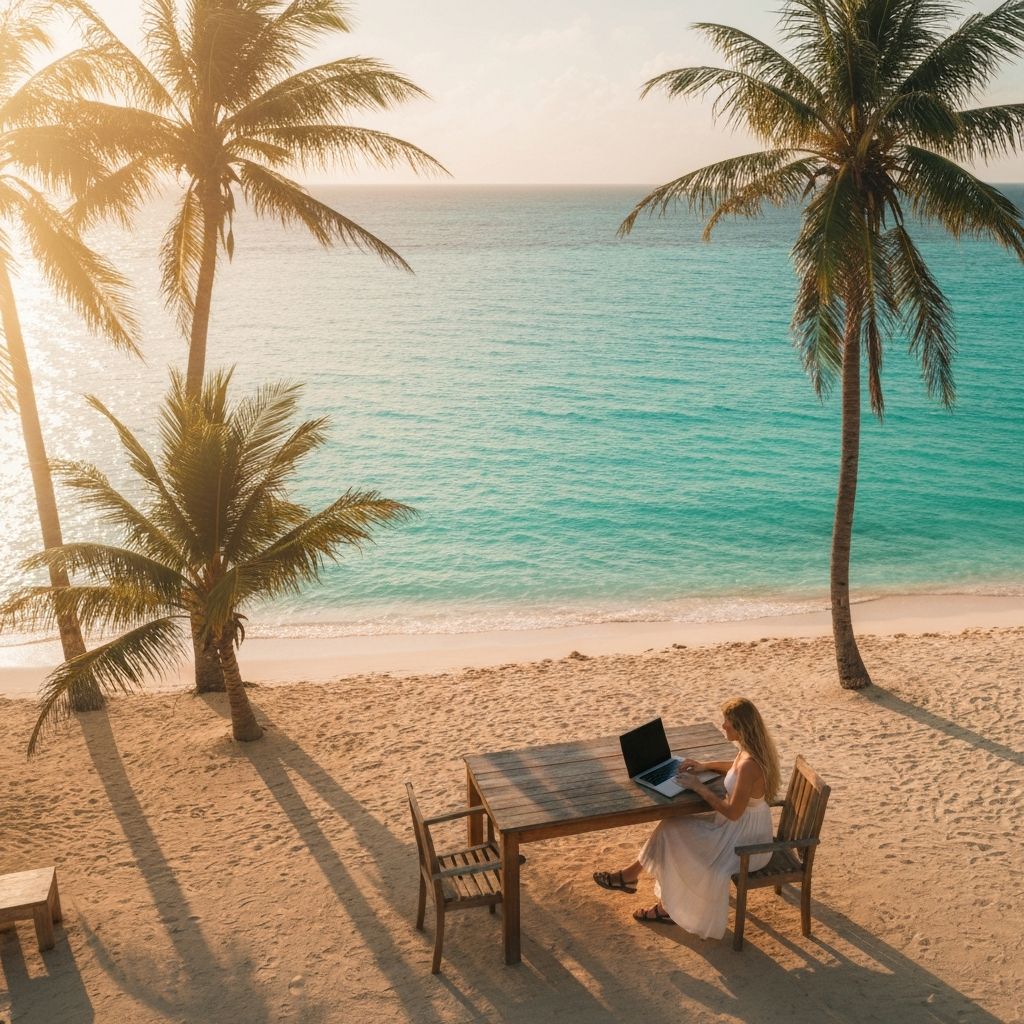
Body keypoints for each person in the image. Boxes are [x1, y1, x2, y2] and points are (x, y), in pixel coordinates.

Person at [592, 697, 781, 938]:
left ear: (741, 728)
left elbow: (733, 812)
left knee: (675, 836)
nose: (723, 726)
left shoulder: (750, 765)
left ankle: (660, 903)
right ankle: (632, 879)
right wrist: (705, 766)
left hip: (746, 842)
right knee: (671, 826)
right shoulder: (750, 751)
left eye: (727, 723)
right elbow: (735, 767)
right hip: (739, 829)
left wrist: (698, 787)